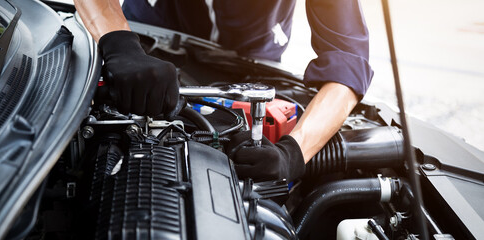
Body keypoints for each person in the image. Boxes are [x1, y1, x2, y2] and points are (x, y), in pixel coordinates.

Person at [74, 0, 373, 183]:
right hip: (149, 43)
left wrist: (292, 154)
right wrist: (119, 43)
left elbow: (349, 60)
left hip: (254, 56)